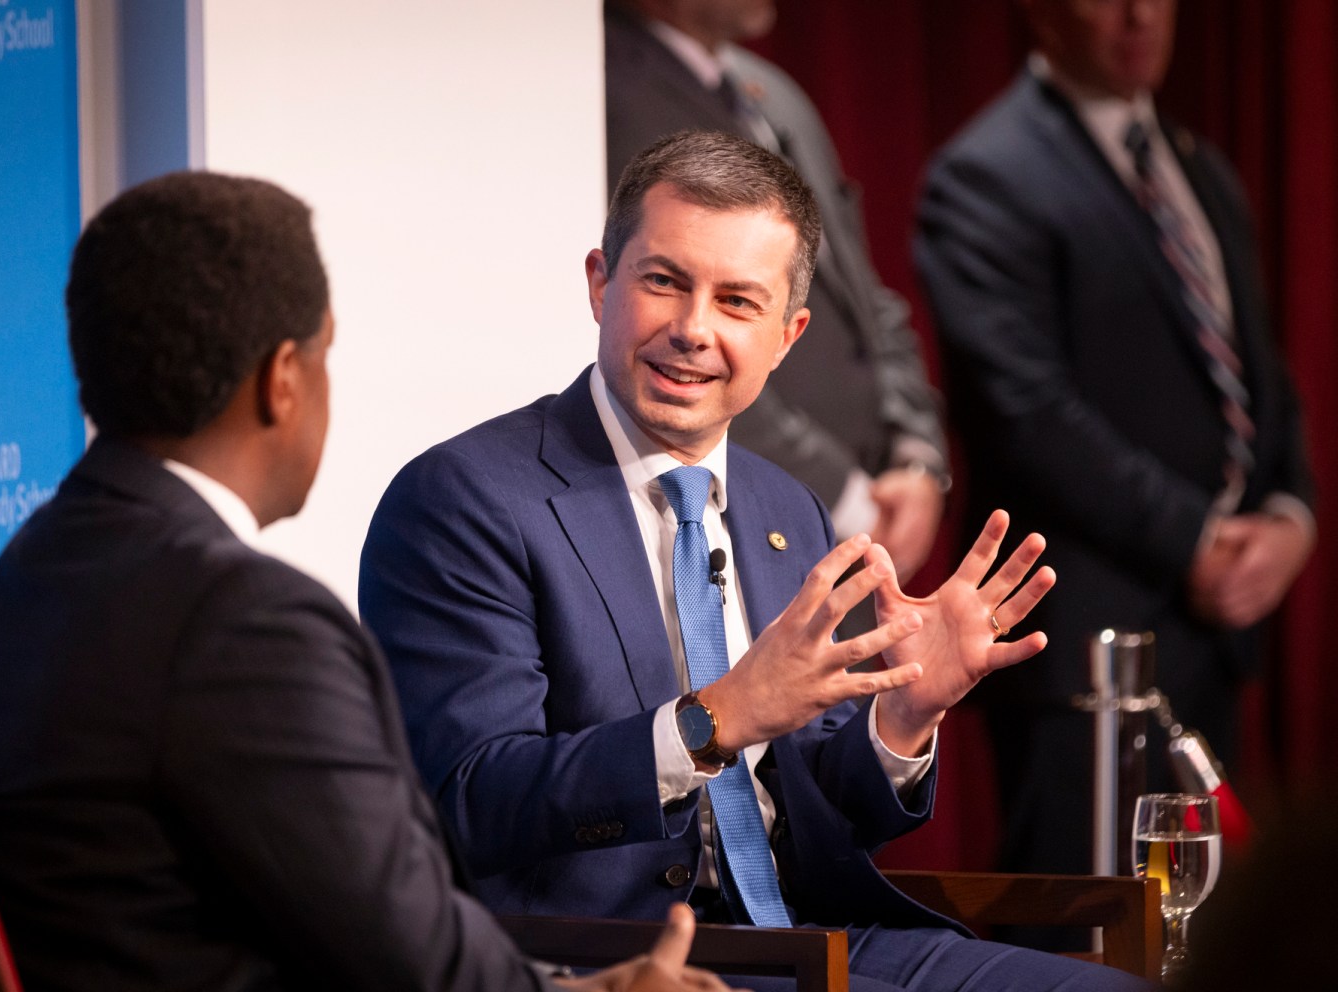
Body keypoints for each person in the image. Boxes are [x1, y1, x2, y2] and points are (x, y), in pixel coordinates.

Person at [360, 130, 1149, 991]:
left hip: (817, 938)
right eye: (663, 282)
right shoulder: (465, 499)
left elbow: (820, 805)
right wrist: (709, 722)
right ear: (599, 284)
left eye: (738, 301)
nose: (693, 330)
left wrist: (903, 719)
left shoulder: (785, 511)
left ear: (787, 334)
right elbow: (471, 801)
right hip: (615, 961)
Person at [0, 171, 733, 992]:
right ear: (282, 378)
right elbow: (405, 953)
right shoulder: (244, 624)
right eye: (326, 351)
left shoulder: (35, 566)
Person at [914, 0, 1315, 919]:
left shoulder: (1201, 167)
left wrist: (1293, 516)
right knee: (1084, 952)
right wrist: (1197, 541)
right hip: (1084, 657)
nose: (1140, 14)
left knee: (1207, 938)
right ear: (1043, 16)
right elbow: (1031, 414)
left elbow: (1262, 372)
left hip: (1215, 638)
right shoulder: (985, 174)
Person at [605, 0, 948, 584]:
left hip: (859, 523)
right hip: (737, 524)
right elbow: (680, 342)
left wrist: (916, 456)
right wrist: (842, 497)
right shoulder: (600, 88)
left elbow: (868, 302)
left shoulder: (772, 91)